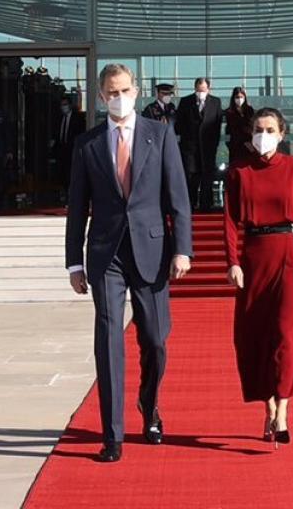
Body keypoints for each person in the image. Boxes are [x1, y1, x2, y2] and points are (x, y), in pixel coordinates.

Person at [65, 64, 193, 462]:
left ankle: (148, 406)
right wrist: (74, 263)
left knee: (155, 339)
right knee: (108, 339)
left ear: (135, 92)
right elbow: (76, 208)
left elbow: (178, 196)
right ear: (101, 96)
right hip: (105, 254)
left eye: (124, 90)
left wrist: (182, 249)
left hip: (152, 252)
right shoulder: (87, 144)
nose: (118, 97)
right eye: (110, 92)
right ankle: (113, 434)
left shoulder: (160, 134)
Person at [223, 107, 293, 447]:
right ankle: (267, 408)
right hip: (253, 259)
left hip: (285, 257)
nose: (262, 134)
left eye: (269, 129)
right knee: (256, 336)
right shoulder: (238, 171)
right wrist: (232, 261)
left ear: (282, 134)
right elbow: (229, 221)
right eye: (257, 128)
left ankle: (282, 411)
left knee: (286, 334)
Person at [175, 77, 223, 211]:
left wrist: (215, 145)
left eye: (203, 89)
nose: (200, 92)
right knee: (191, 177)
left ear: (208, 89)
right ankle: (190, 204)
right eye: (198, 89)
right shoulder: (185, 102)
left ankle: (206, 205)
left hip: (208, 148)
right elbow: (179, 124)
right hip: (190, 148)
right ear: (195, 89)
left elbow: (217, 125)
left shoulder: (215, 102)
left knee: (207, 177)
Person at [53, 97, 85, 195]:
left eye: (65, 104)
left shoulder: (78, 119)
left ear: (70, 105)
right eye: (62, 105)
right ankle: (66, 193)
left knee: (72, 173)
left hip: (73, 150)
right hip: (62, 151)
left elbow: (81, 134)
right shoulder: (59, 118)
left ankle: (72, 194)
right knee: (63, 174)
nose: (63, 107)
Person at [224, 86, 256, 164]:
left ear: (244, 97)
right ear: (233, 98)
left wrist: (250, 143)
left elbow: (251, 126)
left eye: (241, 97)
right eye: (237, 97)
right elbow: (233, 128)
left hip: (250, 144)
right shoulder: (229, 112)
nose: (239, 99)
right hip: (236, 144)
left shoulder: (250, 110)